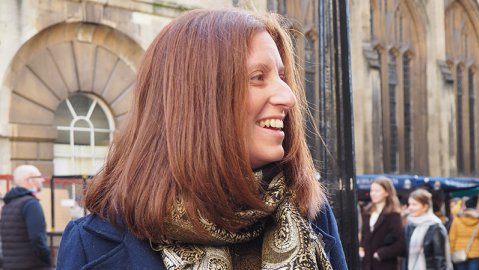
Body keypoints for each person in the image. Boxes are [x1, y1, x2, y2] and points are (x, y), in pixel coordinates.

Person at [57, 8, 347, 270]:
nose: (289, 97)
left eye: (282, 77)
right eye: (258, 77)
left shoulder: (312, 218)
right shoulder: (95, 246)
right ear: (196, 99)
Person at [0, 165, 51, 269]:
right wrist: (47, 259)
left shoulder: (7, 205)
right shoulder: (31, 204)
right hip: (33, 266)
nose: (42, 180)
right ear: (30, 180)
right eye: (39, 177)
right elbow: (37, 238)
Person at [360, 177, 405, 270]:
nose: (373, 194)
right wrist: (362, 247)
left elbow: (400, 244)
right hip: (367, 265)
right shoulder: (367, 212)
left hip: (386, 265)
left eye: (377, 191)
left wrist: (380, 254)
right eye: (372, 190)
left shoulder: (393, 215)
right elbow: (365, 236)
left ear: (387, 193)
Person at [403, 189, 452, 270]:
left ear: (425, 207)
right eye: (409, 204)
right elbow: (405, 257)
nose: (410, 208)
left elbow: (440, 259)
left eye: (414, 204)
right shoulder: (409, 226)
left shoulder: (436, 228)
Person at [449, 195, 479, 270]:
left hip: (459, 251)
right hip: (476, 253)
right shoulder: (478, 220)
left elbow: (452, 237)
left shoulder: (457, 219)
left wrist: (451, 251)